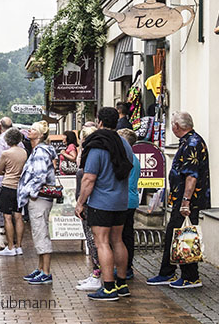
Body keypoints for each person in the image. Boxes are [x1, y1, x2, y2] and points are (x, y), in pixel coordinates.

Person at [75, 106, 134, 301]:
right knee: (118, 240)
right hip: (121, 200)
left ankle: (108, 287)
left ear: (99, 121)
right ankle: (122, 284)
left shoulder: (98, 144)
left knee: (102, 243)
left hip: (101, 201)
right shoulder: (124, 144)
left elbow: (89, 178)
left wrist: (80, 202)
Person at [146, 111, 210, 289]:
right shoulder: (189, 141)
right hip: (181, 199)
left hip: (188, 201)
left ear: (176, 126)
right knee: (175, 234)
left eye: (172, 124)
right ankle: (168, 272)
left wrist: (185, 202)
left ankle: (190, 277)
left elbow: (191, 176)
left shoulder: (192, 143)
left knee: (185, 235)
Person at [18, 121, 57, 284]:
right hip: (40, 199)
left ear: (40, 135)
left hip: (39, 198)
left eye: (33, 129)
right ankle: (40, 268)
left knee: (41, 233)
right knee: (38, 232)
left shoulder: (40, 151)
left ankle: (46, 272)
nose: (29, 131)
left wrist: (30, 192)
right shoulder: (38, 150)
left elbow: (40, 176)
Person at [74, 125, 102, 291]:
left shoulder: (90, 157)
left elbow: (88, 179)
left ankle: (98, 274)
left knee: (94, 241)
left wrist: (80, 203)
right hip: (97, 203)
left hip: (90, 204)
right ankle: (96, 273)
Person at [0, 128, 27, 256]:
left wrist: (7, 172)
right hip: (19, 188)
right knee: (19, 217)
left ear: (8, 140)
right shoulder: (24, 153)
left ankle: (10, 247)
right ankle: (19, 246)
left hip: (8, 187)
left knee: (7, 217)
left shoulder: (6, 154)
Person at [117, 128, 140, 281]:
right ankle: (126, 266)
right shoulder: (134, 158)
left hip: (125, 200)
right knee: (127, 235)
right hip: (131, 199)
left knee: (123, 236)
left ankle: (126, 267)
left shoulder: (127, 158)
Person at [0, 117, 16, 229]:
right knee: (14, 212)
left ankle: (6, 234)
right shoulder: (17, 142)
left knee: (2, 209)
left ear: (0, 127)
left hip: (1, 180)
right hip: (15, 181)